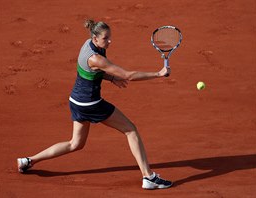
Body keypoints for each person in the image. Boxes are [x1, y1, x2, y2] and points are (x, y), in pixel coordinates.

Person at [17, 19, 172, 189]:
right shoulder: (96, 58)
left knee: (75, 144)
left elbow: (93, 73)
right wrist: (158, 74)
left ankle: (29, 160)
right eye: (106, 38)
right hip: (91, 104)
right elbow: (128, 75)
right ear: (95, 38)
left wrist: (111, 78)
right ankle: (148, 177)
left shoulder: (87, 45)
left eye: (109, 37)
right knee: (130, 129)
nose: (109, 41)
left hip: (76, 101)